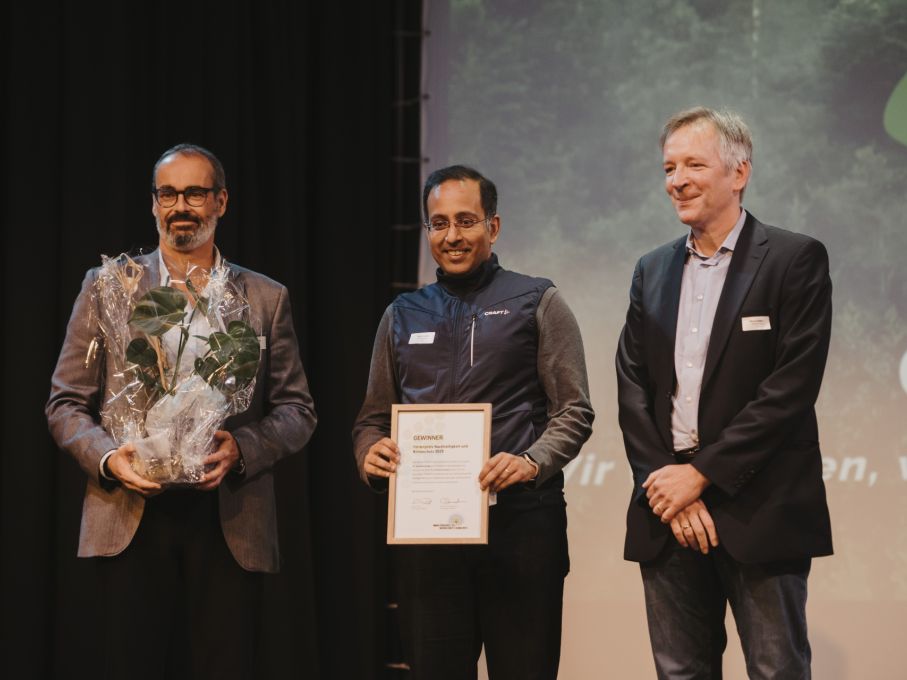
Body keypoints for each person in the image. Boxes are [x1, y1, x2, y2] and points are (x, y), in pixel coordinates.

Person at [46, 143, 316, 680]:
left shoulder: (265, 297)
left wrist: (242, 448)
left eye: (194, 193)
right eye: (167, 194)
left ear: (221, 202)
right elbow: (65, 403)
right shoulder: (108, 287)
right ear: (153, 204)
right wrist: (109, 460)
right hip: (129, 512)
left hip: (228, 517)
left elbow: (297, 410)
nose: (180, 207)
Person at [616, 107, 833, 679]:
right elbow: (632, 385)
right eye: (669, 168)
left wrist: (702, 474)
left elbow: (790, 389)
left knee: (776, 670)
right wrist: (670, 483)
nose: (677, 180)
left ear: (739, 173)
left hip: (761, 505)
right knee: (680, 673)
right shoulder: (651, 269)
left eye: (693, 165)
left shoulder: (794, 259)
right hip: (667, 510)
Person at [353, 165, 594, 680]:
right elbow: (371, 420)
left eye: (466, 221)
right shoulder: (402, 314)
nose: (452, 236)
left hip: (522, 528)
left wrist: (531, 462)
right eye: (439, 224)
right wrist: (369, 453)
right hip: (429, 540)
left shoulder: (538, 301)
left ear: (493, 226)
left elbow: (574, 411)